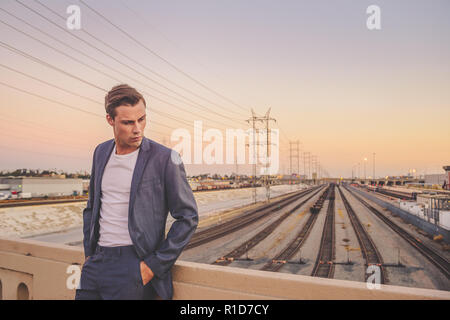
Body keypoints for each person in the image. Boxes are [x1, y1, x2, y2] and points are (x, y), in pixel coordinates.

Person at [75, 84, 198, 300]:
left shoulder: (164, 158)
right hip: (96, 263)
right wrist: (89, 256)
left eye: (141, 119)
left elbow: (188, 217)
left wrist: (152, 267)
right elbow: (92, 207)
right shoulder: (101, 152)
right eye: (128, 122)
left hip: (132, 266)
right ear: (110, 120)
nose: (137, 129)